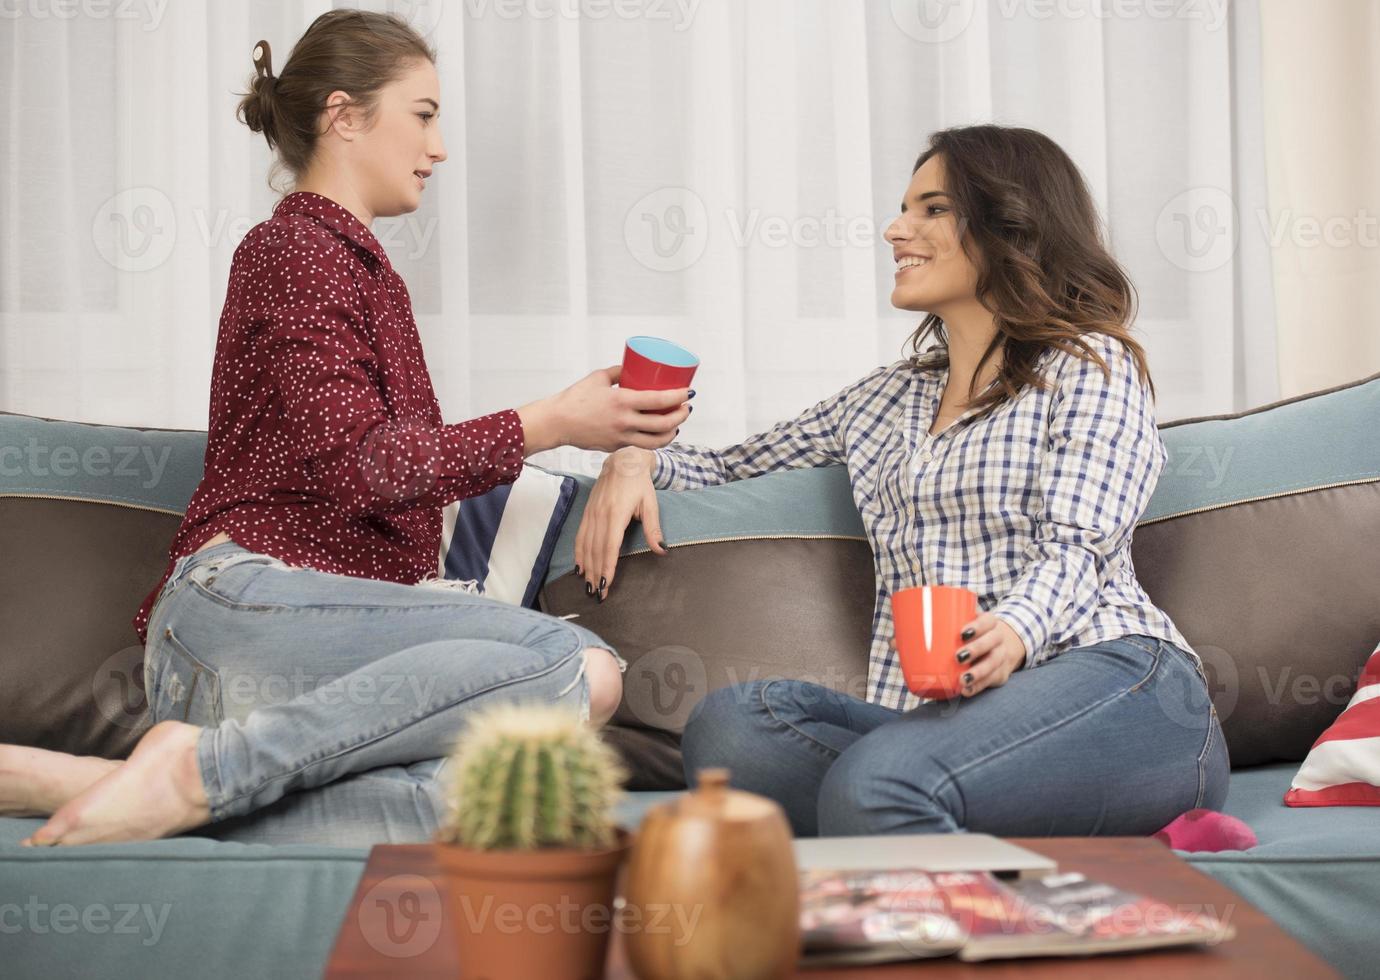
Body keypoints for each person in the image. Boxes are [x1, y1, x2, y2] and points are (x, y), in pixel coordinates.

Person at [3, 10, 689, 848]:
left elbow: (392, 470)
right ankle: (196, 771)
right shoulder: (294, 250)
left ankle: (125, 785)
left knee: (488, 799)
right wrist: (551, 421)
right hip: (242, 613)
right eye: (425, 115)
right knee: (575, 668)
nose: (439, 149)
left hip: (313, 669)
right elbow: (362, 467)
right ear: (345, 115)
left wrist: (621, 450)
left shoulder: (359, 270)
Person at [574, 124, 1229, 838]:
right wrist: (633, 459)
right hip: (944, 722)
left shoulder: (1090, 366)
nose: (895, 230)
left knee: (878, 779)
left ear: (1010, 223)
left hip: (1121, 686)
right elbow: (728, 466)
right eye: (903, 209)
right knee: (732, 729)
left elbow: (1081, 544)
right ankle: (913, 806)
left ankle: (902, 810)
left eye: (931, 209)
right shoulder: (888, 398)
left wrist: (1014, 627)